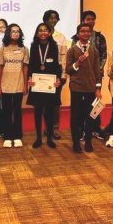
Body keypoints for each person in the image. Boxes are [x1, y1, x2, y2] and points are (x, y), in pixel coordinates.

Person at [66, 23, 102, 153]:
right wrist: (78, 62)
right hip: (76, 87)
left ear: (91, 33)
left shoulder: (94, 51)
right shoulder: (72, 50)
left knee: (90, 116)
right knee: (75, 116)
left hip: (90, 88)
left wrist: (98, 88)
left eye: (88, 31)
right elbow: (68, 70)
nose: (85, 33)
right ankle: (76, 142)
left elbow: (97, 71)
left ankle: (88, 141)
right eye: (83, 31)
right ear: (78, 34)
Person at [71, 10, 107, 140]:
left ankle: (95, 128)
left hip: (95, 77)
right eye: (87, 19)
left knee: (94, 104)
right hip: (80, 78)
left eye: (92, 19)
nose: (90, 21)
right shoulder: (75, 39)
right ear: (83, 21)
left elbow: (103, 56)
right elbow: (73, 58)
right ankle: (81, 129)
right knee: (81, 106)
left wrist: (97, 70)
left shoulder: (99, 37)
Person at [26, 23, 62, 149]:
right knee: (38, 111)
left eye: (45, 30)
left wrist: (58, 79)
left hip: (49, 85)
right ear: (37, 33)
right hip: (37, 85)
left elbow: (57, 65)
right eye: (40, 30)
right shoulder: (33, 46)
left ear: (50, 32)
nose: (43, 32)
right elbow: (31, 65)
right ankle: (38, 138)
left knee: (50, 112)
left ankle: (49, 138)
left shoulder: (53, 46)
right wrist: (29, 78)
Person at [0, 23, 29, 148]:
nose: (15, 33)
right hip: (5, 84)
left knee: (17, 110)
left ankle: (17, 135)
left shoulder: (24, 49)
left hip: (19, 83)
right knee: (6, 111)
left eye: (17, 31)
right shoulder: (2, 48)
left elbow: (25, 68)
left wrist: (25, 84)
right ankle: (8, 136)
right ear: (8, 33)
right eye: (13, 31)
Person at [43, 10, 68, 139]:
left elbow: (64, 57)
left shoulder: (61, 37)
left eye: (55, 18)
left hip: (57, 70)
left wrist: (64, 74)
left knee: (55, 101)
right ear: (45, 19)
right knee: (45, 101)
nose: (53, 20)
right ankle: (47, 127)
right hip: (43, 71)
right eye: (51, 18)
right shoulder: (41, 34)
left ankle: (55, 128)